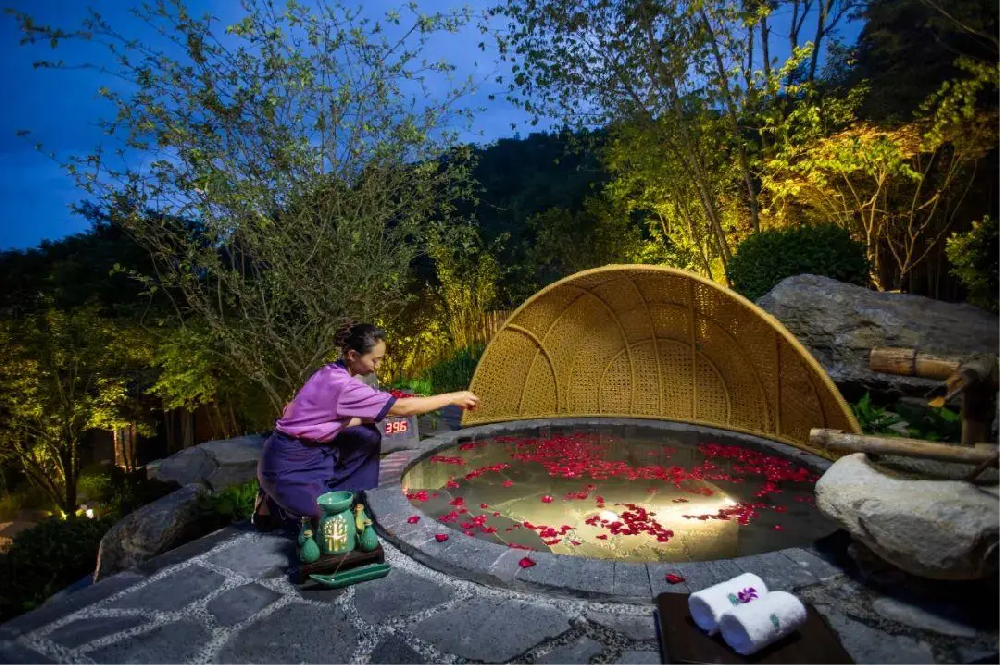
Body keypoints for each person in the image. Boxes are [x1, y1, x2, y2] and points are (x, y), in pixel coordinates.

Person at [252, 322, 480, 531]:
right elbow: (403, 408)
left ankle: (340, 493)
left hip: (309, 451)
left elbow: (329, 421)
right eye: (375, 360)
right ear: (353, 355)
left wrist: (368, 416)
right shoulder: (343, 385)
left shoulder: (330, 371)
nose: (377, 367)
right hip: (289, 464)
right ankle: (274, 502)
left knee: (366, 435)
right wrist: (453, 397)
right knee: (335, 526)